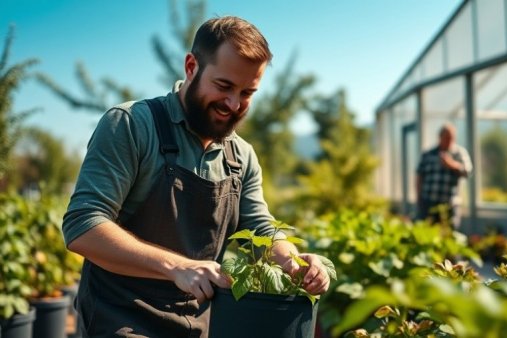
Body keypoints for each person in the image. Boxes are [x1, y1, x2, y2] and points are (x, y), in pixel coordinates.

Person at [62, 16, 330, 337]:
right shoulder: (132, 125)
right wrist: (177, 267)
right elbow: (83, 226)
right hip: (120, 317)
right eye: (224, 86)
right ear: (191, 67)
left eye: (247, 92)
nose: (233, 104)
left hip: (200, 323)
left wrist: (293, 263)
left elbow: (261, 227)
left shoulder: (240, 156)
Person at [416, 123, 472, 229]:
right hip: (429, 203)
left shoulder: (459, 153)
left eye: (451, 138)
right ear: (440, 137)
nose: (449, 141)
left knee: (449, 233)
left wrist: (451, 164)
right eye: (446, 138)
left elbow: (467, 172)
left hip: (450, 204)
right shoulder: (428, 154)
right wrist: (419, 197)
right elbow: (419, 176)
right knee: (427, 232)